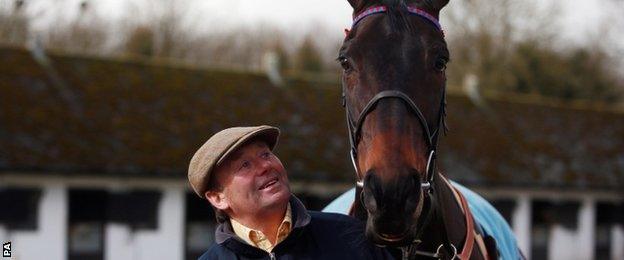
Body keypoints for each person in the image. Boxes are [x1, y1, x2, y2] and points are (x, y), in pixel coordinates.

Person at [188, 125, 392, 260]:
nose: (265, 166)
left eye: (265, 154)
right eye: (245, 165)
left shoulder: (351, 237)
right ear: (217, 197)